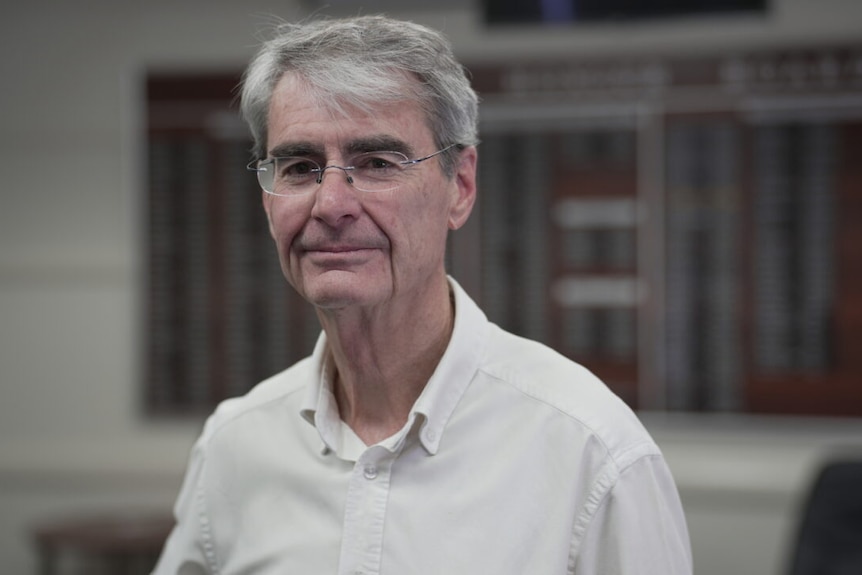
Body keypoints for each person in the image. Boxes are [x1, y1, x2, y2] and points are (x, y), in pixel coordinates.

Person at [152, 15, 692, 575]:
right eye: (300, 166)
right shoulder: (235, 447)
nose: (331, 203)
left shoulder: (590, 452)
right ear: (268, 200)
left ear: (460, 187)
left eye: (378, 163)